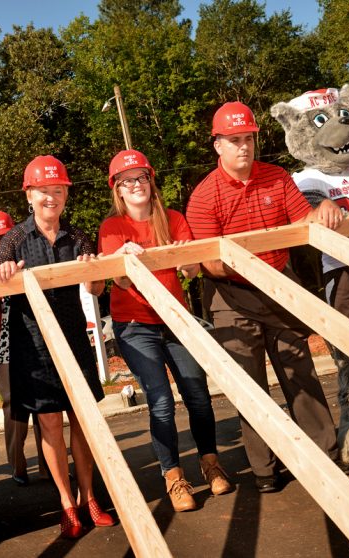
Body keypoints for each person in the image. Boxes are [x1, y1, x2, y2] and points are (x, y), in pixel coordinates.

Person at [185, 101, 349, 493]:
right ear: (218, 146)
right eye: (234, 140)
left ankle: (324, 455)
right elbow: (210, 264)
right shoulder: (204, 196)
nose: (244, 147)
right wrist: (252, 268)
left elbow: (302, 221)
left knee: (300, 372)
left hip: (279, 282)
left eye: (248, 139)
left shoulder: (276, 177)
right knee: (250, 385)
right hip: (231, 293)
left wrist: (324, 207)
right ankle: (265, 469)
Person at [98, 149, 230, 512]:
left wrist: (187, 257)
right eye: (128, 181)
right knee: (160, 401)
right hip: (135, 325)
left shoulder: (172, 218)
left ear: (151, 183)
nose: (137, 185)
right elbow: (121, 280)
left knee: (198, 394)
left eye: (142, 178)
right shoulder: (112, 228)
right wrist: (123, 255)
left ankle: (211, 464)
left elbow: (191, 271)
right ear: (118, 191)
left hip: (175, 319)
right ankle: (173, 477)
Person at [0, 155, 115, 538]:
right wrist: (5, 274)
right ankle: (65, 502)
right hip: (34, 347)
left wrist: (93, 270)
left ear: (66, 194)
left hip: (74, 338)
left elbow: (97, 289)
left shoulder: (78, 237)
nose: (52, 197)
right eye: (44, 191)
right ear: (29, 195)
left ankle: (89, 496)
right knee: (49, 425)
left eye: (58, 190)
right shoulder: (12, 241)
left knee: (83, 422)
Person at [0, 210, 46, 486]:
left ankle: (48, 464)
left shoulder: (27, 266)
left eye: (5, 235)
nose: (1, 241)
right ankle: (18, 466)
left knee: (44, 403)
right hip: (2, 350)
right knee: (13, 404)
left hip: (34, 345)